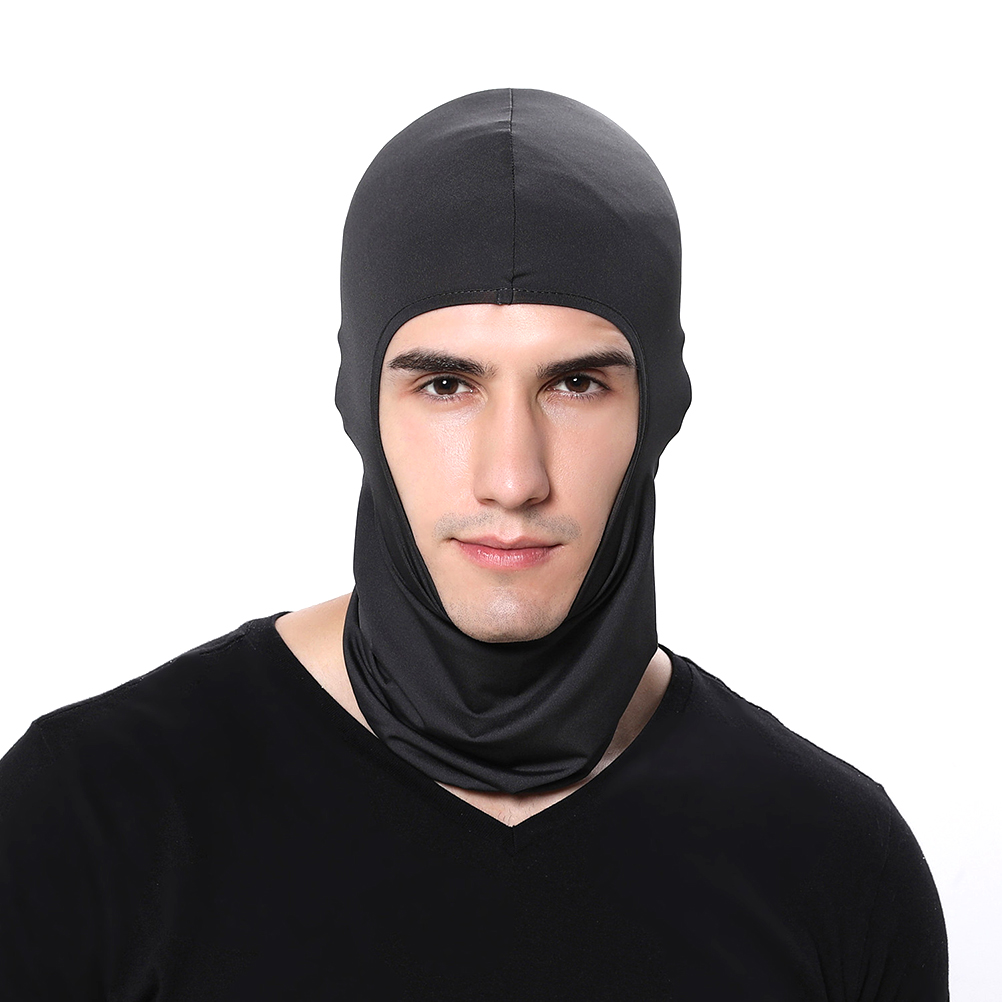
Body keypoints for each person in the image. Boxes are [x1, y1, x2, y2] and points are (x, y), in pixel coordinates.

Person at [0, 88, 948, 1000]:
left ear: (661, 408)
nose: (512, 477)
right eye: (447, 385)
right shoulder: (88, 818)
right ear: (360, 405)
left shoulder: (834, 861)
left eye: (576, 384)